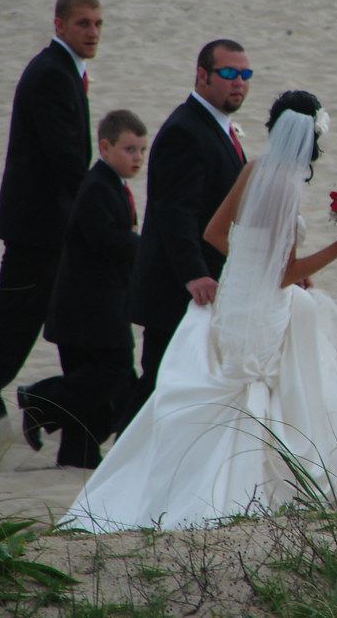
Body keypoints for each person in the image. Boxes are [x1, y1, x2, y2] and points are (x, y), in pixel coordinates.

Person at [61, 92, 337, 531]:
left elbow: (214, 234)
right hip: (263, 304)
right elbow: (283, 274)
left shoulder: (252, 168)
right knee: (263, 386)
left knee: (229, 382)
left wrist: (253, 265)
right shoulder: (289, 184)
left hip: (235, 296)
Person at [0, 0, 103, 444]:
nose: (93, 32)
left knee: (49, 315)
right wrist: (97, 204)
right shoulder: (50, 74)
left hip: (49, 225)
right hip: (36, 228)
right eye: (83, 23)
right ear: (59, 25)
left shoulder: (65, 72)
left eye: (98, 24)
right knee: (17, 314)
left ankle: (57, 408)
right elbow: (64, 158)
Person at [117, 39, 250, 433]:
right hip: (177, 286)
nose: (238, 82)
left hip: (206, 281)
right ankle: (120, 454)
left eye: (245, 75)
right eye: (229, 74)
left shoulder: (219, 128)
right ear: (203, 75)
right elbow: (176, 212)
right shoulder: (185, 130)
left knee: (176, 381)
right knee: (161, 379)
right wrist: (193, 273)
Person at [17, 110, 148, 468]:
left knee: (93, 392)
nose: (137, 158)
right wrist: (145, 245)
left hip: (90, 308)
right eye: (129, 149)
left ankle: (77, 458)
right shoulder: (98, 187)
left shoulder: (111, 185)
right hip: (90, 310)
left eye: (142, 150)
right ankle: (39, 399)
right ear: (105, 148)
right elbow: (105, 240)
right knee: (115, 372)